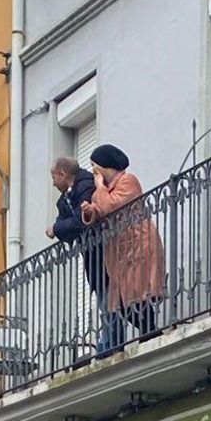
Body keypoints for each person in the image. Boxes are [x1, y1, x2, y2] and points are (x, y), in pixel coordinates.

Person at [80, 143, 166, 357]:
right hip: (120, 250)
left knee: (136, 294)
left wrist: (99, 189)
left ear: (103, 165)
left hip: (138, 244)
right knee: (121, 300)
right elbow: (100, 210)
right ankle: (150, 331)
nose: (93, 171)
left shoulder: (128, 181)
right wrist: (89, 211)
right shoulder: (107, 189)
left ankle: (150, 332)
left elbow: (111, 206)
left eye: (94, 165)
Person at [47, 156, 105, 305]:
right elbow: (67, 231)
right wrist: (60, 229)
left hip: (104, 251)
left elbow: (81, 220)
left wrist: (55, 228)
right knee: (105, 301)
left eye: (53, 177)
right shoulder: (64, 200)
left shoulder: (86, 186)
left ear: (63, 174)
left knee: (111, 302)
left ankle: (150, 326)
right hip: (92, 255)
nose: (53, 183)